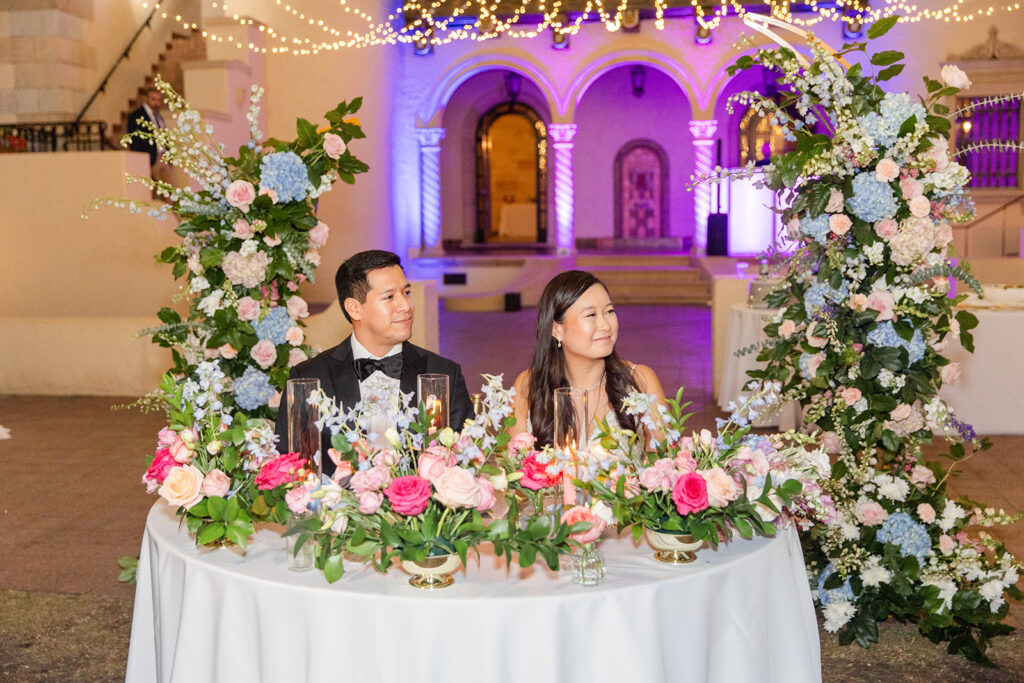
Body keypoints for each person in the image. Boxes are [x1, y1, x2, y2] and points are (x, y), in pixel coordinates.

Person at [274, 250, 475, 476]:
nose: (406, 305)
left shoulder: (444, 373)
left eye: (406, 292)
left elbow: (467, 463)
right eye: (389, 297)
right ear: (354, 308)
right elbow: (292, 470)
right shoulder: (309, 379)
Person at [509, 270, 666, 449]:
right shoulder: (528, 386)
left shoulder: (640, 382)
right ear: (556, 329)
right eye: (591, 315)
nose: (605, 325)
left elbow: (663, 467)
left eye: (609, 311)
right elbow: (512, 468)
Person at [126, 87, 165, 167]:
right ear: (146, 99)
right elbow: (134, 140)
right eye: (153, 99)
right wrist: (141, 160)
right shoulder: (136, 115)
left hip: (163, 155)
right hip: (150, 158)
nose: (156, 103)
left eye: (158, 100)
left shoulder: (157, 115)